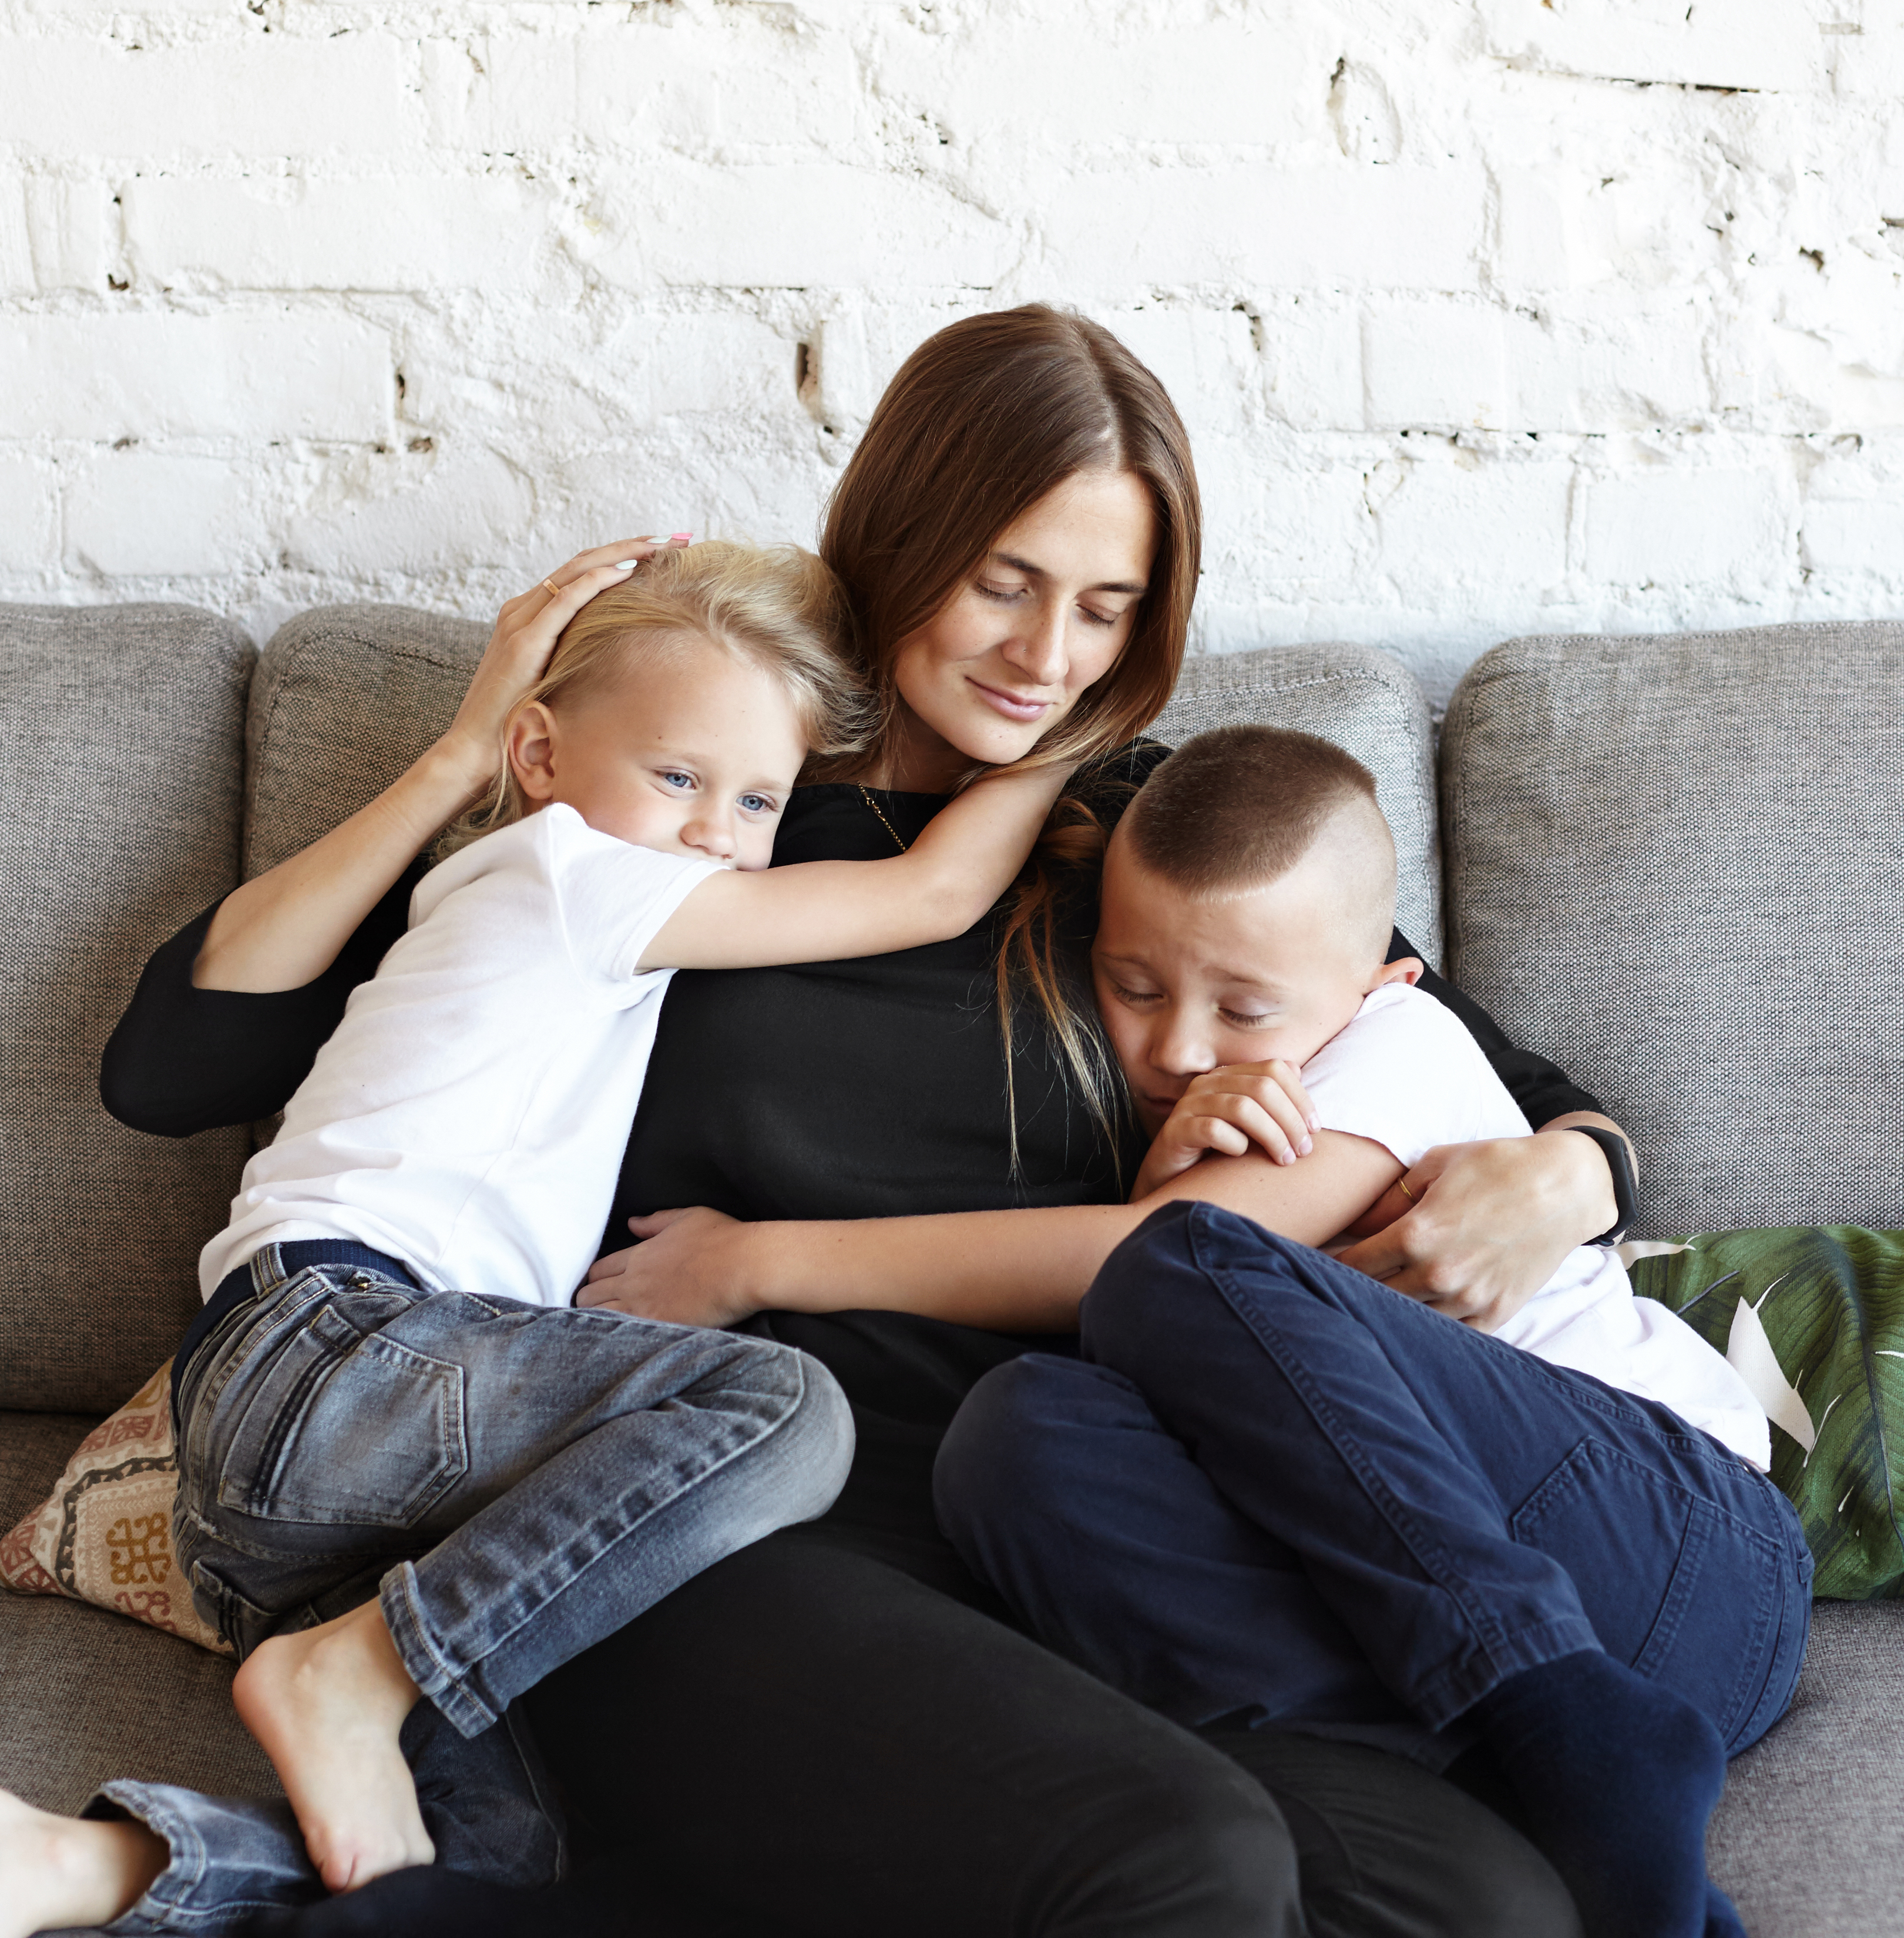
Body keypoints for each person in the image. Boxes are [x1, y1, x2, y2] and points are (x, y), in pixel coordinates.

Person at [93, 306, 1639, 1937]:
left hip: (1043, 1521)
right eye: (1003, 580)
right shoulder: (701, 797)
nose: (1047, 656)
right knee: (1184, 1862)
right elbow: (174, 1068)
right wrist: (465, 756)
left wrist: (1571, 1173)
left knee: (1481, 1902)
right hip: (708, 1521)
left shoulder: (1139, 829)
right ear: (900, 534)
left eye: (1105, 610)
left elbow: (1487, 1073)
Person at [0, 543, 1078, 1936]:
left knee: (501, 1868)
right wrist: (1070, 739)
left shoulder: (577, 895)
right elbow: (925, 897)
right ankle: (357, 1672)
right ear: (541, 755)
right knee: (779, 1405)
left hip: (321, 1493)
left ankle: (61, 1868)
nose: (713, 832)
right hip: (331, 1352)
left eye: (758, 801)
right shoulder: (573, 874)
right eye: (679, 777)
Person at [915, 725, 1813, 1938]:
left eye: (1241, 1009)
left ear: (1379, 985)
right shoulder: (1207, 1087)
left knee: (1167, 1265)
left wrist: (755, 1256)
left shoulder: (1399, 1044)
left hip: (1681, 1545)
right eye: (1132, 988)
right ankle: (1496, 1786)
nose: (1177, 1051)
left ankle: (1572, 1724)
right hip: (1455, 1631)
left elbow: (1154, 1270)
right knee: (1014, 1438)